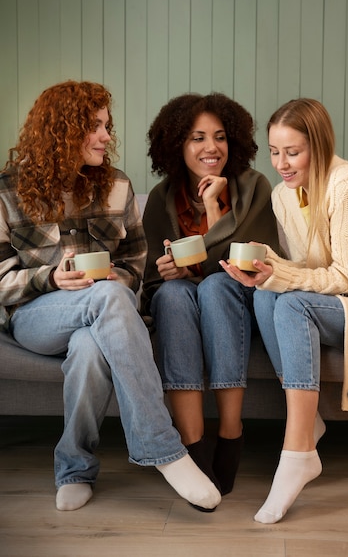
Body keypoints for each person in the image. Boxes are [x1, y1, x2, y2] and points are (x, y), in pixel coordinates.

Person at [0, 80, 221, 513]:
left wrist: (115, 280)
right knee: (108, 300)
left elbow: (134, 262)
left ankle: (74, 469)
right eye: (95, 127)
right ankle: (165, 449)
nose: (106, 136)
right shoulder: (7, 189)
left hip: (102, 313)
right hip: (36, 316)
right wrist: (49, 279)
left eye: (107, 125)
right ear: (61, 131)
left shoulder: (116, 185)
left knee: (91, 341)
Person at [220, 97, 348, 523]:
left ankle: (297, 452)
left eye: (294, 152)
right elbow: (308, 269)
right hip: (343, 300)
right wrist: (267, 267)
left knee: (288, 302)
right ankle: (310, 427)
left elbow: (346, 278)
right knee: (265, 293)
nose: (282, 164)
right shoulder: (282, 195)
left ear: (320, 146)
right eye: (275, 152)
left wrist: (280, 274)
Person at [140, 92, 283, 497]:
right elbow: (150, 283)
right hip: (183, 307)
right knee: (171, 295)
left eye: (219, 137)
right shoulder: (160, 198)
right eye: (197, 138)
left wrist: (213, 208)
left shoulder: (254, 186)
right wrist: (172, 272)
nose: (211, 148)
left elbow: (244, 264)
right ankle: (192, 445)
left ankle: (231, 432)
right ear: (176, 146)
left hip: (241, 305)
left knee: (218, 285)